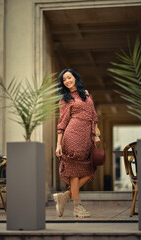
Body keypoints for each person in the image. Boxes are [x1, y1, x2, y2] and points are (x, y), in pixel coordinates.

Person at [53, 69, 100, 218]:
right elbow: (61, 123)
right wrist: (58, 145)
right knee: (74, 171)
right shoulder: (65, 100)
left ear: (75, 77)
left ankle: (65, 196)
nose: (67, 81)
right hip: (72, 135)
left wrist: (96, 133)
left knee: (90, 170)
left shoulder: (86, 94)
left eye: (69, 77)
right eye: (64, 80)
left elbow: (93, 115)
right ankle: (77, 207)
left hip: (87, 137)